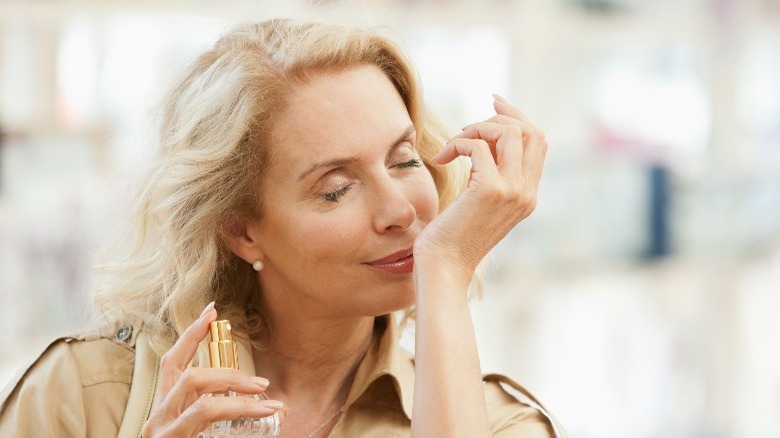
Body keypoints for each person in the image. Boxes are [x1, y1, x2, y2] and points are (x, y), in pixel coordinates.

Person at [0, 19, 564, 437]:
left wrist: (445, 268)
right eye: (335, 189)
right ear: (241, 231)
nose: (399, 209)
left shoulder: (496, 422)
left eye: (404, 160)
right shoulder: (84, 394)